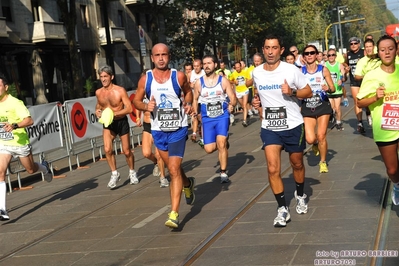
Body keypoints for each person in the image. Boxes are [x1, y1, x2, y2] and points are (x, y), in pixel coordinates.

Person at [252, 35, 313, 227]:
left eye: (274, 48)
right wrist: (257, 103)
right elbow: (258, 93)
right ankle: (282, 209)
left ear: (281, 50)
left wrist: (292, 92)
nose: (270, 52)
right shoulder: (257, 72)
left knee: (297, 164)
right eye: (267, 48)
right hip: (270, 127)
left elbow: (308, 91)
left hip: (293, 124)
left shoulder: (291, 70)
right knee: (272, 168)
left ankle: (300, 194)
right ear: (263, 49)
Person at [133, 43, 195, 229]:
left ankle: (174, 213)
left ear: (169, 57)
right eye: (157, 55)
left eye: (164, 55)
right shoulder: (146, 79)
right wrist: (146, 107)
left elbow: (188, 92)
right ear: (152, 58)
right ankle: (187, 183)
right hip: (158, 130)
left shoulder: (179, 76)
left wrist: (189, 103)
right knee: (173, 168)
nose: (161, 58)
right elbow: (136, 100)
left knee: (174, 169)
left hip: (178, 128)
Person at [0, 75, 53, 220]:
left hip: (20, 143)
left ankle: (44, 167)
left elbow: (29, 120)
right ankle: (2, 209)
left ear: (5, 88)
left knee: (30, 170)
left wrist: (14, 125)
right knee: (0, 172)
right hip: (4, 144)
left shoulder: (15, 103)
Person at [357, 35, 399, 205]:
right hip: (385, 127)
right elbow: (360, 101)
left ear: (396, 50)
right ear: (378, 52)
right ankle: (396, 184)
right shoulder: (372, 75)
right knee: (392, 168)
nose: (387, 52)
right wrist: (375, 97)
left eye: (390, 48)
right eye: (383, 50)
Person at [192, 55, 237, 183]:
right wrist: (195, 113)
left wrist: (231, 105)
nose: (206, 66)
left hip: (222, 116)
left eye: (209, 63)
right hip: (207, 118)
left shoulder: (223, 81)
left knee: (221, 144)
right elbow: (195, 99)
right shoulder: (199, 83)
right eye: (204, 64)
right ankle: (222, 143)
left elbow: (232, 97)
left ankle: (223, 172)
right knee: (209, 149)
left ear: (215, 65)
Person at [95, 65, 138, 189]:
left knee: (126, 151)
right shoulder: (99, 92)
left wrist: (114, 114)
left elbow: (129, 108)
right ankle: (114, 173)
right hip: (108, 124)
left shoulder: (120, 90)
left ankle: (132, 172)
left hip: (121, 121)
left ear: (111, 77)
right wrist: (97, 112)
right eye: (101, 77)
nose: (103, 79)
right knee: (107, 149)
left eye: (105, 76)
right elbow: (98, 106)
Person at [301, 45, 336, 174]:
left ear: (316, 55)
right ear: (304, 57)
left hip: (322, 105)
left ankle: (323, 161)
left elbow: (333, 88)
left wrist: (328, 88)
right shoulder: (300, 72)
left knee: (321, 135)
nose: (309, 55)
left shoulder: (323, 70)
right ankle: (315, 144)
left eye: (312, 53)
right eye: (307, 53)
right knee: (310, 139)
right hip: (307, 106)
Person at [135, 70, 168, 188]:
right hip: (147, 125)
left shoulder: (157, 89)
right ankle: (156, 163)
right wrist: (138, 117)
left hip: (158, 123)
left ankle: (162, 177)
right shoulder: (141, 91)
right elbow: (137, 103)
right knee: (146, 153)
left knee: (159, 153)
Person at [344, 37, 366, 133]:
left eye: (355, 43)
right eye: (351, 44)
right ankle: (360, 122)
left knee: (366, 101)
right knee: (357, 102)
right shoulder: (348, 54)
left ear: (359, 44)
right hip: (354, 81)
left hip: (365, 81)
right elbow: (345, 63)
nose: (353, 45)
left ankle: (368, 114)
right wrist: (346, 68)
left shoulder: (363, 52)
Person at [325, 48, 346, 131]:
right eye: (329, 55)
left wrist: (341, 79)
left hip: (337, 90)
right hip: (329, 89)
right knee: (331, 108)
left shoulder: (339, 65)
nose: (331, 56)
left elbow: (343, 75)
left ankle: (338, 122)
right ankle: (333, 117)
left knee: (337, 108)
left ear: (335, 56)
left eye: (333, 55)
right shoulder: (325, 65)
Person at [229, 61, 251, 127]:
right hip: (238, 91)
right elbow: (229, 80)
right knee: (242, 106)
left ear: (241, 67)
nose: (237, 69)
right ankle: (246, 113)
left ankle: (244, 121)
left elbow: (249, 80)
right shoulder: (234, 73)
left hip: (245, 90)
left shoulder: (245, 72)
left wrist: (247, 82)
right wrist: (233, 82)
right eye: (236, 68)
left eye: (238, 67)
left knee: (244, 105)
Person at [189, 59, 205, 143]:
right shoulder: (191, 73)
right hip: (195, 99)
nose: (196, 68)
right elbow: (187, 84)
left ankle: (203, 135)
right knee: (195, 116)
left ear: (201, 65)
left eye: (197, 66)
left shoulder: (204, 73)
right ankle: (194, 134)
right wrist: (190, 85)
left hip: (203, 99)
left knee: (201, 117)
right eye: (194, 66)